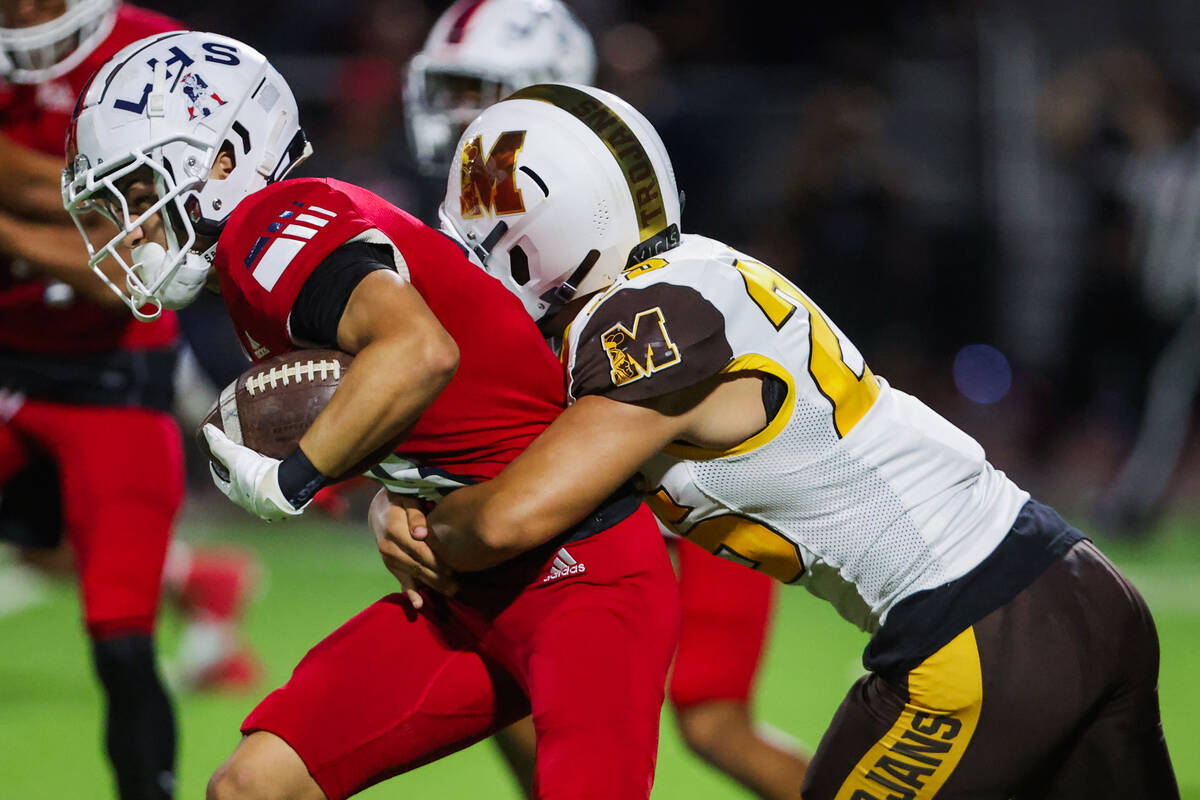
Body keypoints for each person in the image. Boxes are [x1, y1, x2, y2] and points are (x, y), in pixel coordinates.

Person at [371, 83, 1180, 798]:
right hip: (1078, 587)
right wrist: (404, 491)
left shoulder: (641, 324)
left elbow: (509, 520)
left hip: (976, 631)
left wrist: (422, 525)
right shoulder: (689, 274)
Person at [64, 31, 680, 800]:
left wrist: (291, 477)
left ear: (221, 164)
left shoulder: (265, 230)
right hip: (468, 588)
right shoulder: (269, 251)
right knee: (250, 787)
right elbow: (439, 398)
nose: (131, 226)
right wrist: (390, 498)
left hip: (582, 580)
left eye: (140, 192)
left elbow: (419, 351)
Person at [403, 1, 808, 795]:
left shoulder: (599, 209)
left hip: (690, 470)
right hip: (604, 468)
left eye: (476, 89)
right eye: (447, 88)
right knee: (510, 667)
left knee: (713, 719)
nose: (457, 115)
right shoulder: (489, 215)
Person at [0, 4, 257, 798]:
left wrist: (14, 221)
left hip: (115, 383)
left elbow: (134, 263)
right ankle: (203, 582)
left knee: (121, 642)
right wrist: (76, 199)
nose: (21, 14)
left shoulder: (162, 55)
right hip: (11, 366)